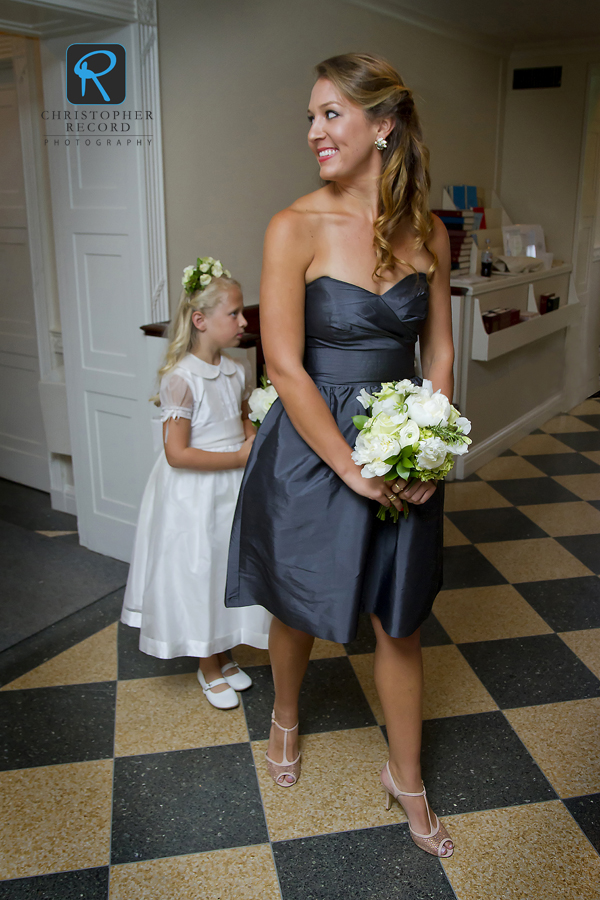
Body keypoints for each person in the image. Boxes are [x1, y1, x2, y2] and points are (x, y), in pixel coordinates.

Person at [226, 54, 455, 856]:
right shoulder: (293, 226)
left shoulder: (428, 230)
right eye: (312, 116)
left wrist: (424, 455)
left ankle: (408, 777)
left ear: (382, 124)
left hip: (400, 445)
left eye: (332, 114)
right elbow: (283, 365)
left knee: (401, 620)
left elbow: (441, 353)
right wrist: (353, 468)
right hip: (311, 445)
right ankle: (285, 717)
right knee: (299, 601)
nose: (314, 131)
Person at [122, 261, 272, 710]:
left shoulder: (237, 367)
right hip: (194, 492)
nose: (245, 322)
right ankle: (207, 662)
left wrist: (252, 443)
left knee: (228, 568)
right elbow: (177, 453)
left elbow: (243, 418)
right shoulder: (181, 380)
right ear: (201, 320)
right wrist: (238, 457)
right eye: (235, 314)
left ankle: (224, 649)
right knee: (200, 569)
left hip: (231, 486)